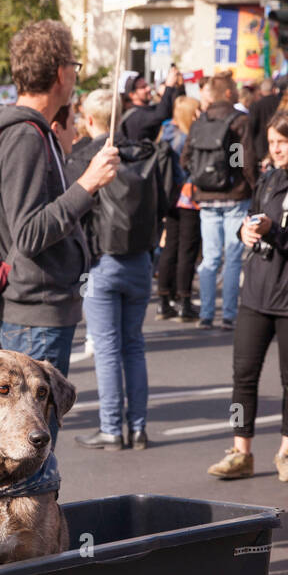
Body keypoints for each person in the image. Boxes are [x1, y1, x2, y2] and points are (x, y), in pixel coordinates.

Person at [0, 19, 119, 430]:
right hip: (35, 310)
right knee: (34, 449)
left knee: (31, 447)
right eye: (74, 65)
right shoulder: (24, 137)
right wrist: (88, 183)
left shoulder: (28, 132)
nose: (76, 74)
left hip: (38, 305)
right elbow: (30, 232)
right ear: (60, 73)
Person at [207, 109, 288, 482]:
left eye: (283, 142)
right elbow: (251, 219)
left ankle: (287, 451)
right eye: (272, 142)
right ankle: (240, 450)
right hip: (257, 293)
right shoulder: (266, 180)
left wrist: (275, 232)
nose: (275, 149)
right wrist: (244, 234)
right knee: (242, 376)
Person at [68, 89, 159, 450]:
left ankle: (110, 427)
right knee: (133, 346)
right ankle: (137, 427)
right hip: (139, 258)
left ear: (90, 119)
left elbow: (73, 208)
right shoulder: (145, 154)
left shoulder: (84, 157)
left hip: (101, 261)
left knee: (106, 350)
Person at [185, 74, 257, 330]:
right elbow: (242, 157)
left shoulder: (199, 121)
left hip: (205, 195)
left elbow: (187, 158)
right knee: (233, 258)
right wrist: (248, 181)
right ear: (228, 93)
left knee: (210, 258)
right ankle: (228, 314)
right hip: (234, 194)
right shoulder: (239, 121)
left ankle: (206, 313)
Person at [155, 94, 202, 323]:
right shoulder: (187, 136)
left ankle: (164, 300)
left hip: (169, 196)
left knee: (169, 248)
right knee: (187, 250)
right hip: (189, 196)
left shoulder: (166, 131)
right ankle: (184, 300)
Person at [118, 69, 184, 144]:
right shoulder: (134, 116)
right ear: (132, 95)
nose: (148, 88)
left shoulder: (148, 109)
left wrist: (179, 86)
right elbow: (161, 115)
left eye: (147, 85)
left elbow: (168, 109)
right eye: (143, 87)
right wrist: (168, 87)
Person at [246, 76, 280, 172]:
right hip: (279, 147)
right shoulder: (281, 103)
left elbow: (251, 128)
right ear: (274, 90)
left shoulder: (256, 105)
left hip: (260, 149)